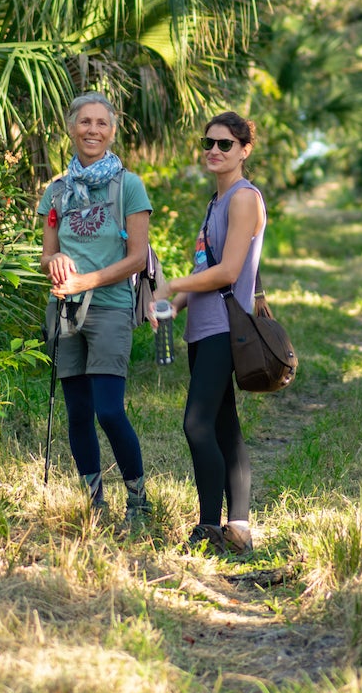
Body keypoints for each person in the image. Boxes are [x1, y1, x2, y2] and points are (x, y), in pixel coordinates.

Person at [39, 92, 152, 525]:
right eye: (85, 122)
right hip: (65, 310)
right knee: (79, 412)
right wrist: (57, 264)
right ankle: (94, 504)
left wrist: (87, 280)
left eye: (101, 123)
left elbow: (137, 258)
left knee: (108, 409)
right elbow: (46, 256)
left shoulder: (128, 185)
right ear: (71, 128)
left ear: (113, 130)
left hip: (108, 308)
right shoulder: (57, 191)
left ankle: (138, 502)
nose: (92, 130)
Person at [164, 111, 265, 555]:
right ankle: (238, 529)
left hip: (226, 327)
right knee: (224, 424)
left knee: (196, 423)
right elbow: (205, 269)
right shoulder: (215, 202)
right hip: (202, 325)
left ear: (244, 150)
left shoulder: (244, 199)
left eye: (225, 144)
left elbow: (228, 271)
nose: (214, 151)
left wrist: (175, 284)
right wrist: (172, 303)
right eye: (208, 143)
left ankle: (208, 528)